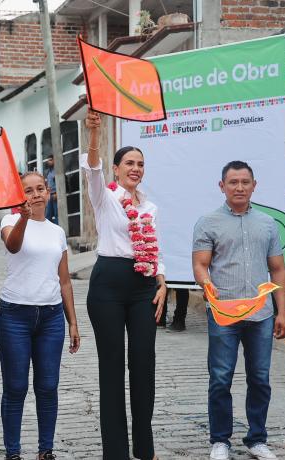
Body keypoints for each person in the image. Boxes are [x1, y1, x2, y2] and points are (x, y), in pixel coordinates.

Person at [82, 111, 166, 460]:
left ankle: (144, 449)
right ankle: (115, 452)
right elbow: (93, 169)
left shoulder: (150, 207)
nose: (135, 168)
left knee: (144, 362)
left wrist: (161, 281)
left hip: (145, 286)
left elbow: (153, 246)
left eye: (140, 164)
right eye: (129, 162)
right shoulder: (105, 197)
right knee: (112, 366)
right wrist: (95, 134)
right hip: (108, 286)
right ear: (116, 169)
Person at [191, 160, 285, 460]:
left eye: (245, 182)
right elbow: (200, 264)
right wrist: (207, 284)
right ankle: (220, 441)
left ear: (254, 185)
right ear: (222, 186)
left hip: (260, 315)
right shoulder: (208, 222)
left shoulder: (267, 223)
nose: (239, 187)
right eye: (233, 182)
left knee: (260, 378)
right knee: (220, 377)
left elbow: (278, 269)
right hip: (224, 313)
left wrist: (282, 312)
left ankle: (257, 438)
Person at [0, 172, 81, 460]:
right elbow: (13, 246)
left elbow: (65, 280)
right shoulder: (10, 222)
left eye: (40, 189)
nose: (35, 195)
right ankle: (13, 452)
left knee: (48, 386)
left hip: (51, 317)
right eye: (28, 191)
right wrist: (22, 217)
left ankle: (46, 450)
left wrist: (73, 322)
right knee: (16, 387)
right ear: (21, 197)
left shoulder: (57, 232)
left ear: (48, 192)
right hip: (14, 316)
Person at [44, 156, 58, 224]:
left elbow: (60, 183)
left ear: (54, 161)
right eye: (48, 160)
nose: (48, 162)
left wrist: (57, 193)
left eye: (50, 160)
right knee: (48, 214)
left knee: (56, 214)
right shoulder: (48, 172)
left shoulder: (57, 171)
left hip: (55, 194)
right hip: (50, 195)